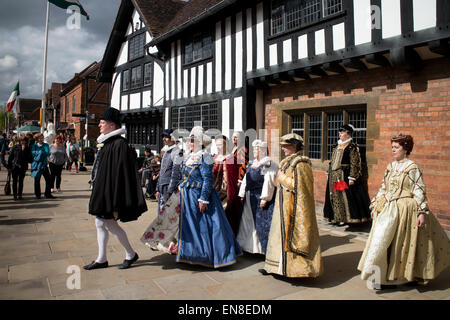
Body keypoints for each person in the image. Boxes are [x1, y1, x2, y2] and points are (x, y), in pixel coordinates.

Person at [358, 134, 450, 289]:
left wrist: (421, 212)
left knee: (405, 244)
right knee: (381, 242)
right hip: (388, 209)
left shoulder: (412, 167)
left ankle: (404, 277)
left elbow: (419, 190)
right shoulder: (390, 166)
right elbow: (383, 188)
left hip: (407, 209)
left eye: (396, 147)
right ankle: (382, 278)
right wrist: (376, 206)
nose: (393, 150)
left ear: (405, 149)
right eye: (392, 147)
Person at [84, 107, 147, 270]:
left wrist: (116, 199)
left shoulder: (119, 144)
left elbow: (122, 175)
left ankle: (130, 254)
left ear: (112, 125)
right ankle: (102, 258)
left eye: (102, 122)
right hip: (102, 191)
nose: (99, 125)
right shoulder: (107, 143)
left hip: (110, 194)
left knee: (109, 224)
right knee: (100, 223)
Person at [176, 126, 242, 268]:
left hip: (201, 196)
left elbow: (207, 178)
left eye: (192, 141)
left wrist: (203, 198)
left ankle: (210, 256)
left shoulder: (204, 156)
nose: (189, 143)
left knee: (207, 227)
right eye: (189, 141)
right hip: (188, 196)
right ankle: (192, 254)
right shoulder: (189, 157)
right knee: (191, 226)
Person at [260, 133, 323, 278]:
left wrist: (281, 177)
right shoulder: (285, 162)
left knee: (289, 237)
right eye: (282, 146)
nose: (283, 149)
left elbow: (299, 186)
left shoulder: (301, 164)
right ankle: (273, 267)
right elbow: (277, 183)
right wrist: (279, 178)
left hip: (292, 208)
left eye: (285, 146)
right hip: (281, 205)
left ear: (294, 146)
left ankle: (291, 270)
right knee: (277, 236)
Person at [323, 124, 371, 226]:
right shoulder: (336, 145)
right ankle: (336, 217)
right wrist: (329, 171)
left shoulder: (351, 147)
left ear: (348, 134)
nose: (339, 134)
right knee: (334, 196)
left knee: (342, 196)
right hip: (334, 175)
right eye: (339, 132)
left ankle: (344, 218)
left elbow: (355, 162)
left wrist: (352, 177)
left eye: (342, 132)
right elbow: (332, 161)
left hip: (342, 176)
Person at [236, 139, 277, 255]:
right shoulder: (252, 163)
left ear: (263, 150)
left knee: (261, 223)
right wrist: (242, 193)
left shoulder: (268, 164)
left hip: (260, 197)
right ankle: (248, 247)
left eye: (256, 149)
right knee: (248, 221)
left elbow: (268, 182)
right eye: (253, 149)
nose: (254, 151)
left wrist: (264, 198)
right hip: (250, 197)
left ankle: (261, 249)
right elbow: (245, 179)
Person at [224, 131, 248, 235]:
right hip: (231, 179)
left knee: (235, 205)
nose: (234, 139)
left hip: (236, 180)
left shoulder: (242, 149)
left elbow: (243, 165)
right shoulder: (233, 149)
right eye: (233, 137)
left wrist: (240, 179)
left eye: (236, 137)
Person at [155, 129, 183, 215]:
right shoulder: (166, 151)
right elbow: (162, 171)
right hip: (162, 186)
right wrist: (158, 188)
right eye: (163, 137)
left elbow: (176, 173)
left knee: (167, 214)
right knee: (161, 213)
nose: (164, 139)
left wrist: (170, 191)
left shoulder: (178, 152)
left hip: (169, 187)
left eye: (166, 137)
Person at [7, 136, 32, 200]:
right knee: (14, 181)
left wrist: (24, 151)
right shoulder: (15, 147)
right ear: (19, 141)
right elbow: (10, 157)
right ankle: (15, 195)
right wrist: (9, 167)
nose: (23, 142)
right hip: (15, 166)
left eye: (24, 140)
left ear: (26, 141)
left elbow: (30, 159)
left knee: (21, 181)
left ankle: (20, 195)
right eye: (21, 140)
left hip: (23, 167)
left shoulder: (27, 148)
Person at [31, 133, 55, 199]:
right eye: (40, 138)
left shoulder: (46, 145)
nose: (41, 139)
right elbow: (33, 153)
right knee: (37, 180)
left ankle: (47, 194)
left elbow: (47, 153)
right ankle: (37, 194)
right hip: (37, 165)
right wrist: (41, 153)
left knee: (48, 179)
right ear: (37, 139)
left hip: (44, 164)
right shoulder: (34, 145)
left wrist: (38, 153)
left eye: (42, 137)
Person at [212, 135, 228, 202]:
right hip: (212, 188)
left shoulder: (229, 158)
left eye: (220, 145)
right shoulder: (213, 157)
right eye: (217, 145)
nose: (218, 147)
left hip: (224, 191)